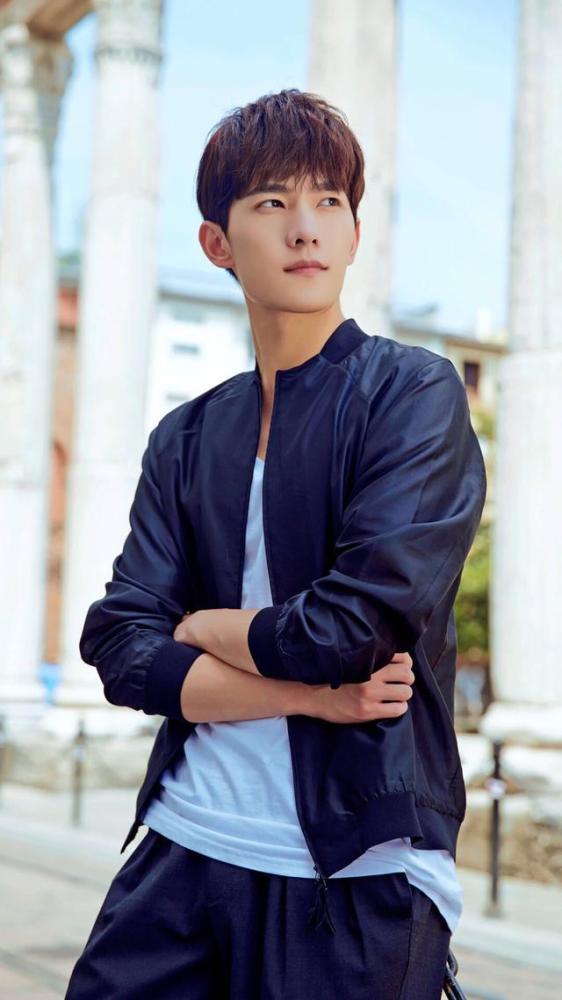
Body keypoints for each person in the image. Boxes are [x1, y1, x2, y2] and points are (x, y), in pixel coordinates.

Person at [65, 88, 486, 999]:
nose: (306, 228)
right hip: (182, 845)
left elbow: (354, 630)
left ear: (354, 232)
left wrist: (203, 626)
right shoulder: (186, 437)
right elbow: (120, 645)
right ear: (217, 242)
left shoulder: (412, 395)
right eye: (272, 202)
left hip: (355, 873)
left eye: (329, 201)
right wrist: (311, 698)